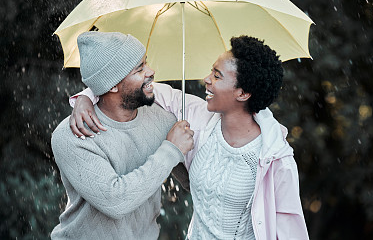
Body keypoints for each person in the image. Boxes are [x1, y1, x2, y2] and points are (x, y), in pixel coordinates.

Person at [70, 36, 309, 240]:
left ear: (243, 93)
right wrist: (86, 96)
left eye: (217, 75)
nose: (207, 79)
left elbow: (290, 230)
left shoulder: (275, 158)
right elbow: (129, 86)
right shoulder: (197, 117)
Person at [51, 31, 194, 239]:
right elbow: (116, 201)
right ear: (113, 85)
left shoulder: (163, 120)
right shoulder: (73, 136)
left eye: (146, 63)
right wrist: (171, 150)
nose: (151, 72)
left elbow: (195, 182)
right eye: (140, 69)